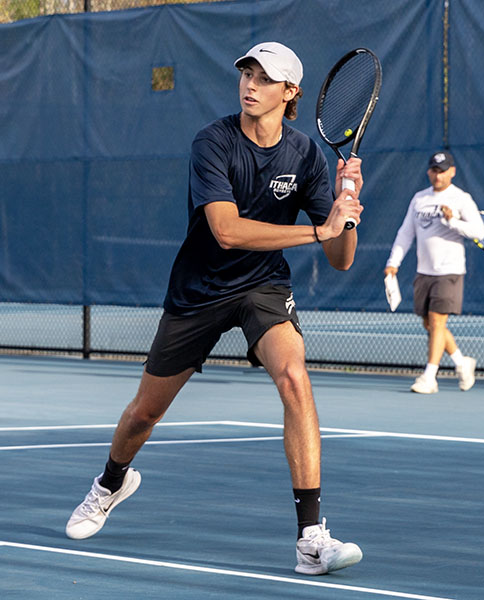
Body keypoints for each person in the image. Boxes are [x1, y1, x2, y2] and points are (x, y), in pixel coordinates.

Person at [66, 41, 364, 576]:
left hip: (263, 287)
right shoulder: (213, 141)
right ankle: (110, 483)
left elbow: (340, 258)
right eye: (246, 73)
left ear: (290, 92)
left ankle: (311, 539)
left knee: (295, 377)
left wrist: (345, 215)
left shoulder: (306, 157)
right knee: (145, 412)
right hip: (200, 289)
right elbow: (225, 232)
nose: (250, 84)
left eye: (265, 77)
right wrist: (318, 228)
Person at [383, 151, 484, 394]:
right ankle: (462, 362)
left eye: (442, 170)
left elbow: (480, 232)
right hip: (424, 272)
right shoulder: (419, 199)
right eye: (434, 170)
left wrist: (453, 222)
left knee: (438, 321)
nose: (437, 175)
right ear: (429, 171)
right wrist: (393, 262)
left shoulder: (461, 199)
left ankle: (430, 377)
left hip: (449, 271)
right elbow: (406, 233)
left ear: (452, 171)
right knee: (430, 323)